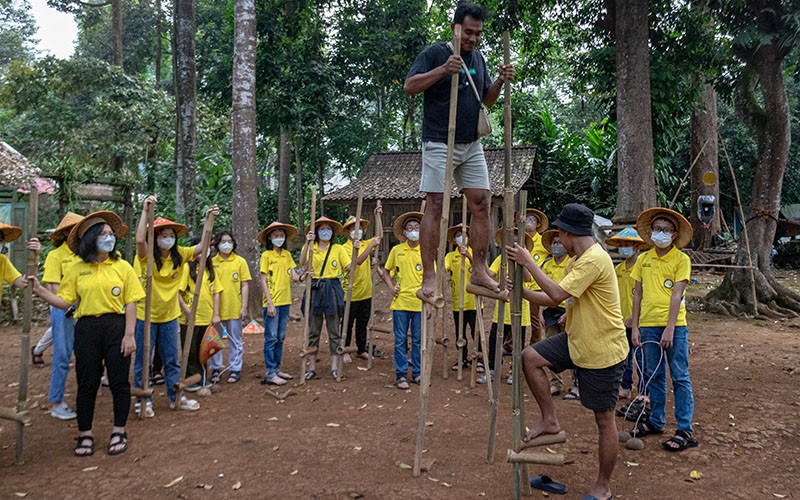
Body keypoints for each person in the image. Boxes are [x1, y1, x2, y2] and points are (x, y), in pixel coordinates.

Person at [507, 203, 629, 500]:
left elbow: (557, 294)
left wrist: (528, 262)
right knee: (530, 357)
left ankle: (604, 487)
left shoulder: (594, 259)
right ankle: (550, 419)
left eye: (559, 235)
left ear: (567, 233)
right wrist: (518, 291)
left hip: (602, 349)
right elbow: (554, 300)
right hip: (577, 339)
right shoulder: (580, 260)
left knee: (604, 419)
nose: (558, 241)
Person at [404, 2, 515, 299]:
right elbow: (410, 87)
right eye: (468, 32)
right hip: (440, 141)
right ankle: (430, 277)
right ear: (456, 28)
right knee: (436, 203)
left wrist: (501, 82)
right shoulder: (435, 53)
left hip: (471, 143)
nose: (473, 39)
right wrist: (443, 70)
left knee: (482, 202)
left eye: (478, 34)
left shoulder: (478, 57)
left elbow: (487, 101)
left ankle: (479, 269)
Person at [31, 210, 143, 457]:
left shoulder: (122, 267)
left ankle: (119, 431)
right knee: (87, 383)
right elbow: (65, 301)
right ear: (90, 239)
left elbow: (132, 301)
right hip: (86, 329)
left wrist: (129, 334)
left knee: (119, 382)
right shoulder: (76, 269)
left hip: (116, 327)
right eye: (103, 234)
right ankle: (85, 434)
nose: (109, 238)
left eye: (111, 234)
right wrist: (39, 290)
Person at [133, 195, 214, 415]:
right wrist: (145, 212)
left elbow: (201, 247)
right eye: (163, 235)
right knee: (143, 359)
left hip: (169, 316)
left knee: (172, 359)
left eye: (171, 236)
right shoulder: (146, 256)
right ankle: (143, 399)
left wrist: (208, 223)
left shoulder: (179, 256)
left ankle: (175, 395)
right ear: (156, 237)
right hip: (146, 315)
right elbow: (140, 240)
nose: (168, 239)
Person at [630, 208, 698, 452]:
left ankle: (684, 429)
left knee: (679, 375)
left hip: (674, 326)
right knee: (653, 374)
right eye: (657, 229)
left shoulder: (681, 260)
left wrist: (670, 328)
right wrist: (635, 326)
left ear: (675, 233)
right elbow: (637, 294)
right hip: (647, 325)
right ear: (651, 232)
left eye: (666, 230)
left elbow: (677, 295)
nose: (661, 234)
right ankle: (656, 420)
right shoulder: (643, 259)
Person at [40, 212, 84, 420]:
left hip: (84, 309)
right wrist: (69, 307)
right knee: (62, 356)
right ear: (67, 233)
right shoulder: (55, 256)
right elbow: (52, 286)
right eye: (77, 229)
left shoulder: (84, 254)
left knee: (88, 352)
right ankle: (57, 402)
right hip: (63, 310)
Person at [478, 228, 533, 386]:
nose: (514, 243)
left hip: (519, 308)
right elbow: (491, 274)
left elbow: (528, 278)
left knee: (518, 342)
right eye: (511, 240)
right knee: (495, 340)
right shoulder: (501, 258)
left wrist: (520, 262)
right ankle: (493, 371)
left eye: (517, 240)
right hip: (502, 307)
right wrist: (479, 261)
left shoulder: (526, 260)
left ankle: (514, 372)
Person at [299, 216, 351, 380]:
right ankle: (312, 367)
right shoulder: (310, 247)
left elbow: (349, 266)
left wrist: (358, 251)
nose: (325, 232)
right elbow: (302, 263)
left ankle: (335, 367)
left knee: (334, 329)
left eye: (328, 229)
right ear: (316, 232)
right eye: (322, 229)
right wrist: (308, 243)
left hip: (333, 289)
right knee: (313, 330)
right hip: (315, 288)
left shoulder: (338, 249)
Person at [381, 212, 425, 390]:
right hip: (400, 303)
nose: (414, 231)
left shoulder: (426, 250)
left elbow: (432, 277)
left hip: (420, 303)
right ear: (404, 232)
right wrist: (391, 287)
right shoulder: (396, 250)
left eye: (417, 228)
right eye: (410, 228)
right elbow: (385, 271)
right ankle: (400, 375)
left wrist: (430, 303)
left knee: (418, 340)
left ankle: (417, 373)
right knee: (400, 339)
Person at [258, 222, 303, 386]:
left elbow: (295, 276)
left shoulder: (287, 255)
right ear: (270, 237)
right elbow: (263, 280)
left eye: (281, 235)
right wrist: (269, 303)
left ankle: (277, 369)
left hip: (285, 301)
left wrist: (305, 276)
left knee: (280, 337)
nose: (279, 238)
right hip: (272, 302)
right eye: (276, 235)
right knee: (271, 337)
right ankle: (270, 372)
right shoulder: (266, 256)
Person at [605, 226, 646, 401]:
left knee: (642, 357)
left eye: (628, 244)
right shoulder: (618, 269)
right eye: (621, 244)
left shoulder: (642, 267)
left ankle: (644, 389)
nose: (624, 247)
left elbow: (644, 294)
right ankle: (626, 386)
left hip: (639, 320)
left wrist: (635, 317)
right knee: (624, 356)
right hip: (620, 320)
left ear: (636, 246)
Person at [178, 237, 222, 391]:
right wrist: (186, 310)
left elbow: (216, 292)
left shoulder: (210, 271)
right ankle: (191, 380)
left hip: (206, 317)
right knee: (189, 350)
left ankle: (202, 377)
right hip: (189, 319)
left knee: (203, 349)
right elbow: (177, 292)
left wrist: (215, 314)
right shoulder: (186, 269)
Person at [209, 230, 252, 384]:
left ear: (234, 243)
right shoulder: (211, 262)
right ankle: (215, 369)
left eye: (229, 241)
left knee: (235, 339)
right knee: (215, 341)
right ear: (217, 244)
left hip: (234, 307)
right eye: (223, 241)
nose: (226, 244)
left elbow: (245, 284)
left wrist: (244, 307)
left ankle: (235, 369)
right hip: (216, 310)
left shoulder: (240, 261)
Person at [340, 214, 382, 362]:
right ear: (348, 231)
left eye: (359, 228)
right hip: (350, 293)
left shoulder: (365, 244)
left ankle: (361, 348)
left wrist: (377, 216)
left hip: (366, 291)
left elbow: (380, 236)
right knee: (347, 323)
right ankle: (344, 349)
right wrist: (369, 247)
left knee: (363, 322)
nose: (356, 231)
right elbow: (357, 262)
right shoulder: (344, 248)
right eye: (353, 228)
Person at [539, 230, 574, 398]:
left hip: (568, 310)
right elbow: (541, 290)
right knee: (550, 347)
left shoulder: (573, 263)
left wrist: (568, 313)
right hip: (550, 310)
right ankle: (556, 382)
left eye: (560, 243)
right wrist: (540, 312)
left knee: (574, 347)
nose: (557, 246)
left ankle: (577, 384)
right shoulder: (546, 265)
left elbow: (575, 292)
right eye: (554, 243)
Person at [444, 223, 476, 370]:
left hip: (474, 302)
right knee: (460, 333)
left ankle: (480, 359)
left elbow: (482, 270)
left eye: (463, 235)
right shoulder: (451, 256)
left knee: (476, 333)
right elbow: (442, 268)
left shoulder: (475, 253)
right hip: (459, 301)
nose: (461, 238)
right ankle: (462, 358)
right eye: (458, 235)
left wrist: (469, 256)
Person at [523, 208, 549, 345]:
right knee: (515, 315)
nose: (530, 221)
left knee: (535, 317)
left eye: (533, 219)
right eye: (527, 218)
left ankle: (535, 343)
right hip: (521, 282)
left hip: (536, 285)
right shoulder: (520, 238)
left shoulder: (543, 241)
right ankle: (510, 344)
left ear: (538, 225)